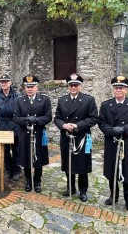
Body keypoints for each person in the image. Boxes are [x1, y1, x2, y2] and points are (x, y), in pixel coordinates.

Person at [98, 75, 128, 212]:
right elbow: (101, 122)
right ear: (113, 89)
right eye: (116, 88)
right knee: (112, 170)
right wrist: (111, 131)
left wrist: (124, 129)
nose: (118, 90)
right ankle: (113, 196)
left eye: (121, 88)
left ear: (127, 90)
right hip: (112, 142)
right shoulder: (106, 105)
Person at [54, 73, 98, 202]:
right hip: (66, 136)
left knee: (82, 164)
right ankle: (70, 187)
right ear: (68, 86)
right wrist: (63, 125)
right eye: (71, 85)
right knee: (68, 162)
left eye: (76, 85)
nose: (73, 87)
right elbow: (57, 118)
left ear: (80, 86)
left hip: (82, 136)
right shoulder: (62, 100)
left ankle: (83, 190)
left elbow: (93, 118)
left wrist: (77, 125)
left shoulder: (88, 100)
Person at [13, 74, 52, 193]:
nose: (29, 89)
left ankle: (37, 181)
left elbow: (48, 117)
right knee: (26, 159)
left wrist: (37, 120)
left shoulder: (44, 99)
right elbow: (15, 117)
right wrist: (26, 120)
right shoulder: (19, 100)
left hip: (39, 133)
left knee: (38, 159)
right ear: (25, 88)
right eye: (27, 86)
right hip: (25, 134)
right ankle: (29, 181)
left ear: (37, 87)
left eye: (32, 86)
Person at [0, 74, 22, 181]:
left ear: (10, 83)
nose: (4, 83)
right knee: (5, 150)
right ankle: (8, 169)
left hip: (15, 126)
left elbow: (20, 111)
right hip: (3, 127)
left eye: (6, 81)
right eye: (2, 82)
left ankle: (16, 170)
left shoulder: (17, 96)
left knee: (16, 150)